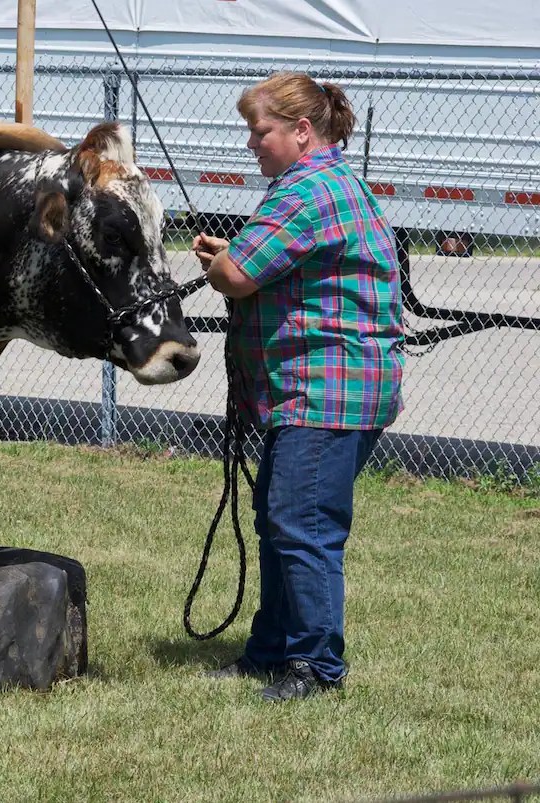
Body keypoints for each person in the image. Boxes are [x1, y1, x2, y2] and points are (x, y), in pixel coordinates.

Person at [191, 72, 404, 702]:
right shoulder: (332, 184)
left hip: (326, 391)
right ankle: (271, 654)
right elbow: (277, 265)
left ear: (301, 131)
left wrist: (222, 264)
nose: (252, 145)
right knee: (280, 519)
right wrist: (234, 259)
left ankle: (315, 668)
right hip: (322, 390)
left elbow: (237, 275)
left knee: (302, 524)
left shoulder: (307, 191)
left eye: (261, 132)